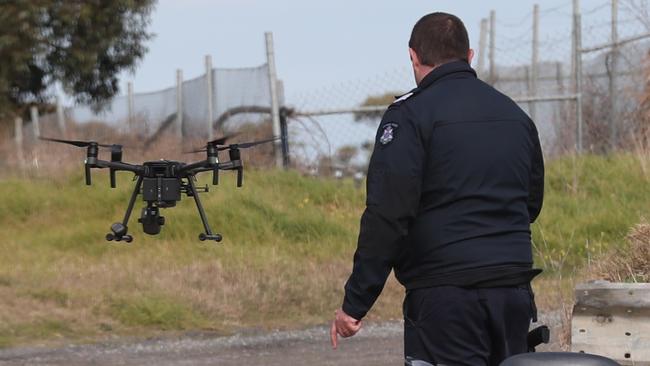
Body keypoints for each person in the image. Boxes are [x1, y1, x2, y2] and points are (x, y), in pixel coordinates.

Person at [329, 12, 544, 366]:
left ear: (413, 56)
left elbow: (387, 216)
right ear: (470, 56)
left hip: (446, 299)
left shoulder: (410, 116)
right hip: (512, 292)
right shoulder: (515, 116)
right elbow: (531, 204)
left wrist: (355, 303)